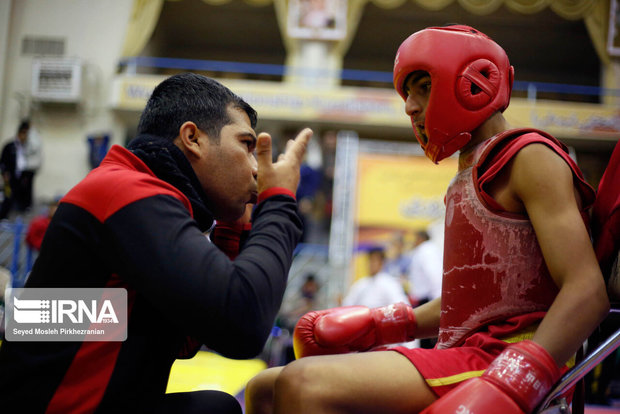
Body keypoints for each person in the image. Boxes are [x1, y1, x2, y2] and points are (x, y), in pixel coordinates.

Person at [244, 25, 609, 414]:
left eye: (423, 88)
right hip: (464, 352)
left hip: (505, 357)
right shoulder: (467, 176)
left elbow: (588, 291)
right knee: (264, 388)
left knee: (303, 383)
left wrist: (518, 379)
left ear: (475, 84)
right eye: (407, 94)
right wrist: (384, 323)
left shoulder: (529, 156)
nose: (410, 107)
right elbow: (471, 309)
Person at [0, 73, 312, 413]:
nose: (256, 169)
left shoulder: (118, 190)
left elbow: (183, 337)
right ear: (192, 138)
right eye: (246, 145)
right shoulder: (122, 191)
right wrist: (278, 202)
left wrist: (230, 233)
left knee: (217, 405)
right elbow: (243, 325)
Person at [0, 120, 43, 219]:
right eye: (24, 134)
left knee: (20, 198)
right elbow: (3, 162)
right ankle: (3, 217)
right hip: (9, 178)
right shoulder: (9, 146)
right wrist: (4, 174)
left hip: (21, 177)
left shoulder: (26, 147)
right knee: (8, 196)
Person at [342, 246, 409, 309]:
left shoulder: (389, 283)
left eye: (374, 261)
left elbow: (403, 306)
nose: (371, 264)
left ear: (381, 263)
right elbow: (347, 304)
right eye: (369, 260)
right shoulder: (361, 283)